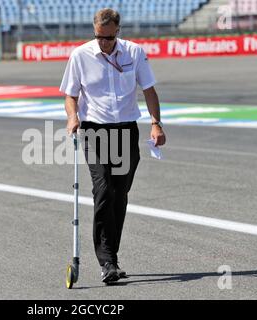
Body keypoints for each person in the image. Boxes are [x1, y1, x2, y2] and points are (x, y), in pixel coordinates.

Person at [60, 8, 166, 284]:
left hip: (126, 131)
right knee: (104, 188)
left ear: (118, 31)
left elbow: (149, 90)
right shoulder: (81, 55)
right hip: (95, 131)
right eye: (98, 37)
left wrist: (156, 123)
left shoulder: (134, 52)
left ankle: (112, 256)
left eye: (108, 38)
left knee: (120, 193)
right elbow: (70, 95)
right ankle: (107, 261)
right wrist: (73, 117)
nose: (103, 43)